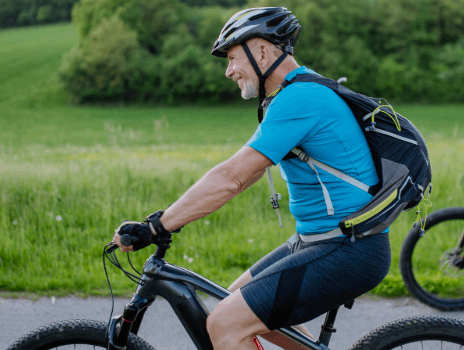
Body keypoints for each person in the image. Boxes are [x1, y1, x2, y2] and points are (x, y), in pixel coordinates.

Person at [111, 7, 390, 350]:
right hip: (322, 240)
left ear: (261, 51)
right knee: (236, 303)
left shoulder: (300, 98)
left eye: (231, 58)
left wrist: (158, 226)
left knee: (227, 324)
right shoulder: (293, 93)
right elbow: (248, 172)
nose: (228, 72)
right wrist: (168, 220)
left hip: (349, 248)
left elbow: (232, 178)